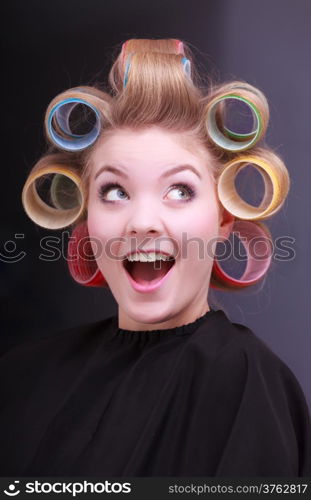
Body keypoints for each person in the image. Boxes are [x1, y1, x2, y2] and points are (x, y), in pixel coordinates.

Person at [0, 38, 310, 477]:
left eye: (180, 191)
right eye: (115, 191)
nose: (142, 221)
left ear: (224, 217)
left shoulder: (244, 382)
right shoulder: (20, 376)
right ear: (88, 219)